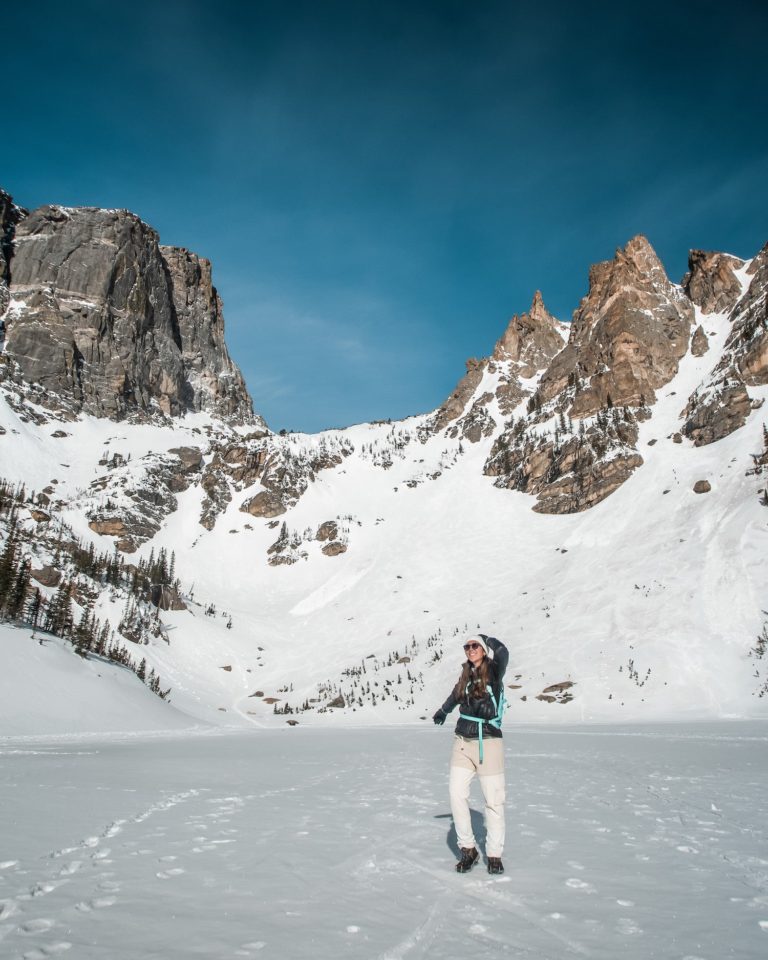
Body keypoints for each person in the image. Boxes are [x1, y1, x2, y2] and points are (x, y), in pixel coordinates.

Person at [433, 633, 509, 874]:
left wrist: (489, 639)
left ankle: (494, 855)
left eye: (475, 646)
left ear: (484, 650)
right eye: (467, 647)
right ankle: (468, 849)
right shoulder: (466, 673)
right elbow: (456, 695)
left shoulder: (495, 671)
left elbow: (504, 652)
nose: (470, 649)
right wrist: (442, 711)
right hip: (463, 741)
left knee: (494, 801)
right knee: (456, 793)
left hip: (488, 742)